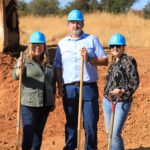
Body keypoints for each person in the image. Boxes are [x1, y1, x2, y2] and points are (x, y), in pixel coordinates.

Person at [54, 9, 108, 150]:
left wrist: (90, 59)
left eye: (78, 23)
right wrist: (60, 85)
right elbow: (57, 66)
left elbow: (105, 60)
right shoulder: (61, 43)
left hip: (88, 88)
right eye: (72, 22)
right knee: (71, 123)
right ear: (68, 24)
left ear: (83, 24)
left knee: (90, 124)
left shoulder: (92, 40)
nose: (75, 26)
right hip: (70, 88)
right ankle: (70, 147)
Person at [12, 31, 56, 150]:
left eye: (40, 45)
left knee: (38, 135)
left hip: (45, 104)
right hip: (29, 105)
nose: (37, 48)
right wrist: (19, 69)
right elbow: (15, 76)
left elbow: (52, 82)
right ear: (30, 46)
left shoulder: (48, 62)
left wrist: (53, 100)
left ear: (44, 46)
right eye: (34, 45)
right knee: (28, 134)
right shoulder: (24, 60)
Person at [102, 33, 139, 150]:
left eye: (118, 46)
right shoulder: (113, 61)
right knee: (109, 133)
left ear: (123, 47)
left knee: (114, 135)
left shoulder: (128, 61)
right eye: (112, 46)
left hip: (121, 102)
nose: (114, 48)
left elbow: (135, 82)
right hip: (107, 101)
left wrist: (122, 90)